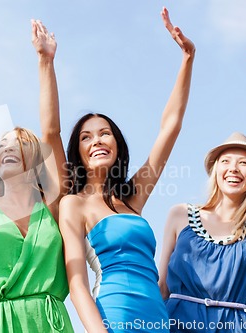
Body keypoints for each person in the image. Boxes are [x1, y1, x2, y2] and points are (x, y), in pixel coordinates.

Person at [59, 7, 195, 333]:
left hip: (158, 318)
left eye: (104, 133)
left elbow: (170, 128)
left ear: (117, 142)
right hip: (113, 316)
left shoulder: (132, 196)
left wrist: (188, 58)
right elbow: (76, 282)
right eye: (86, 137)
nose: (97, 141)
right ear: (77, 151)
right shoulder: (73, 204)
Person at [157, 51, 246, 333]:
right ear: (215, 170)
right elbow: (161, 286)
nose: (234, 168)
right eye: (226, 161)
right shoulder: (180, 215)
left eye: (244, 163)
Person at [0, 19, 74, 332]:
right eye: (1, 145)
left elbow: (52, 131)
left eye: (19, 144)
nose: (7, 149)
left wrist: (45, 62)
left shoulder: (54, 205)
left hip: (48, 322)